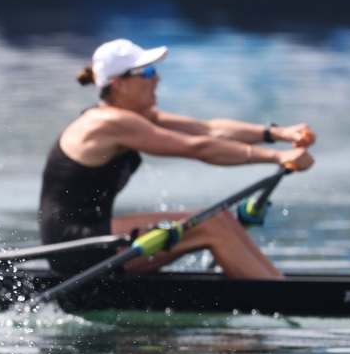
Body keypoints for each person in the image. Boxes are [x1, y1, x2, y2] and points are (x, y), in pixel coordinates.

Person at [38, 39, 316, 278]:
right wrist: (278, 157)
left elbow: (209, 129)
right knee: (212, 224)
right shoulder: (108, 123)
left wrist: (277, 133)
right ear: (119, 84)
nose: (156, 78)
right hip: (75, 244)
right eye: (146, 71)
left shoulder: (136, 117)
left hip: (97, 237)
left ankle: (278, 286)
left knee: (220, 219)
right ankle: (285, 297)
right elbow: (199, 148)